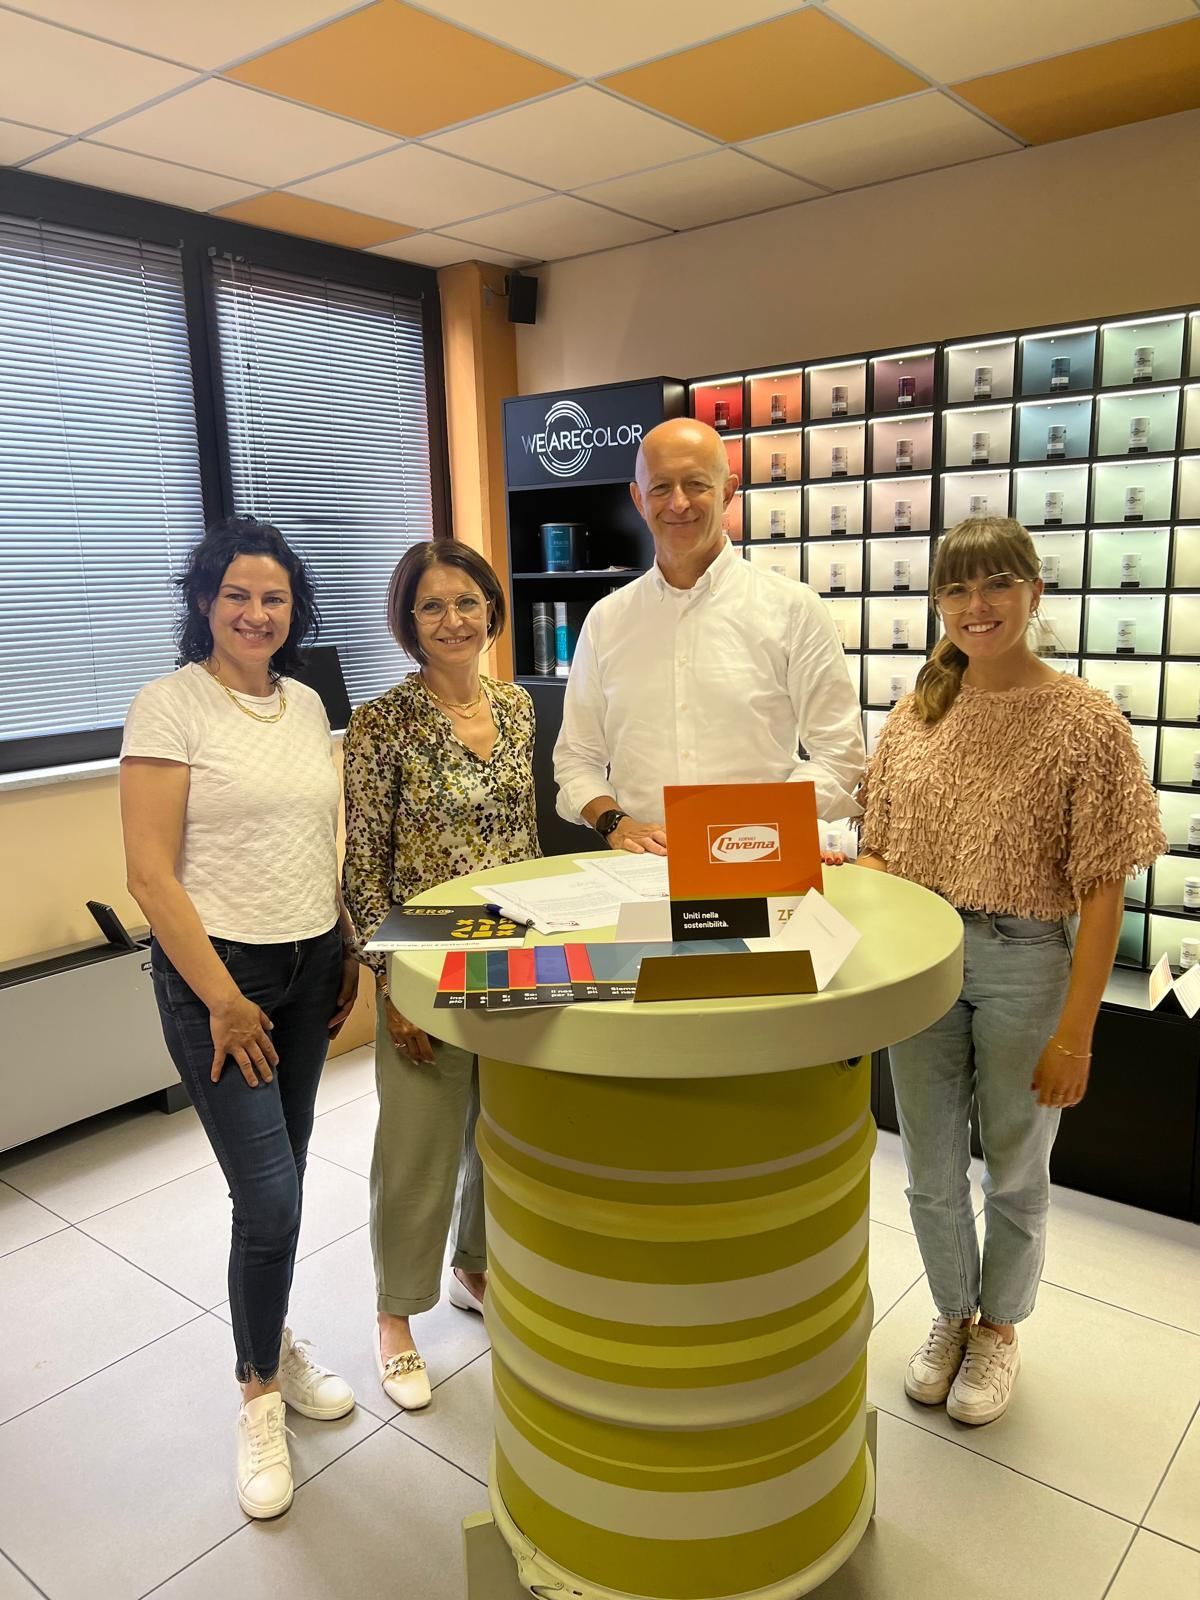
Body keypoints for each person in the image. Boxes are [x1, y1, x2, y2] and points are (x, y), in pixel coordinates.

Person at [856, 516, 1165, 1425]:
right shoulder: (918, 712)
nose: (977, 606)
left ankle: (1000, 1327)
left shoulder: (1085, 721)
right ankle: (952, 1312)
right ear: (938, 603)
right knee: (928, 1167)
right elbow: (882, 848)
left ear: (1035, 592)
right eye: (956, 588)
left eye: (996, 584)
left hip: (1026, 962)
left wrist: (1078, 1035)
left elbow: (1103, 894)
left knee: (1017, 1169)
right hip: (921, 958)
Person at [120, 516, 360, 1520]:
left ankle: (271, 1337)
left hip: (311, 965)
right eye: (237, 595)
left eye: (274, 598)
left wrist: (343, 940)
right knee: (268, 1200)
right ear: (204, 602)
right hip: (222, 980)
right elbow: (149, 875)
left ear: (294, 608)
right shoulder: (169, 705)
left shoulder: (306, 703)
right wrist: (222, 998)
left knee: (286, 1183)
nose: (256, 614)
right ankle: (258, 1393)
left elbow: (314, 836)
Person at [342, 540, 539, 1412]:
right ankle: (395, 1316)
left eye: (467, 601)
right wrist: (392, 987)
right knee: (417, 1148)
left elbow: (524, 839)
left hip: (513, 951)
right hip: (422, 960)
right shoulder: (382, 723)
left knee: (502, 1129)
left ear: (491, 608)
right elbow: (362, 869)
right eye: (432, 605)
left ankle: (475, 1267)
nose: (452, 620)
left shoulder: (518, 707)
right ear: (408, 620)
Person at [553, 417, 865, 852]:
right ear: (638, 499)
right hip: (642, 866)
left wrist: (761, 822)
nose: (678, 503)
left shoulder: (794, 608)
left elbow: (838, 750)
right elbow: (577, 756)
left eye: (696, 484)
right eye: (661, 487)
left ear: (727, 491)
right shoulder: (607, 621)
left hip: (763, 856)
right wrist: (614, 823)